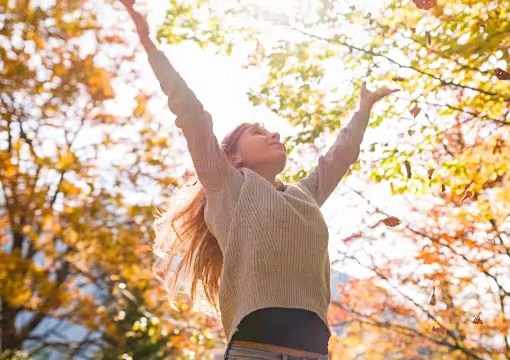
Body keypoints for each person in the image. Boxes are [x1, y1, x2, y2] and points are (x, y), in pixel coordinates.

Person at [119, 1, 398, 359]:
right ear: (233, 156)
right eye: (257, 131)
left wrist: (363, 112)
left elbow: (338, 158)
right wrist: (150, 46)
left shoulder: (304, 196)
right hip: (254, 351)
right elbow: (192, 116)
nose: (274, 134)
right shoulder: (227, 187)